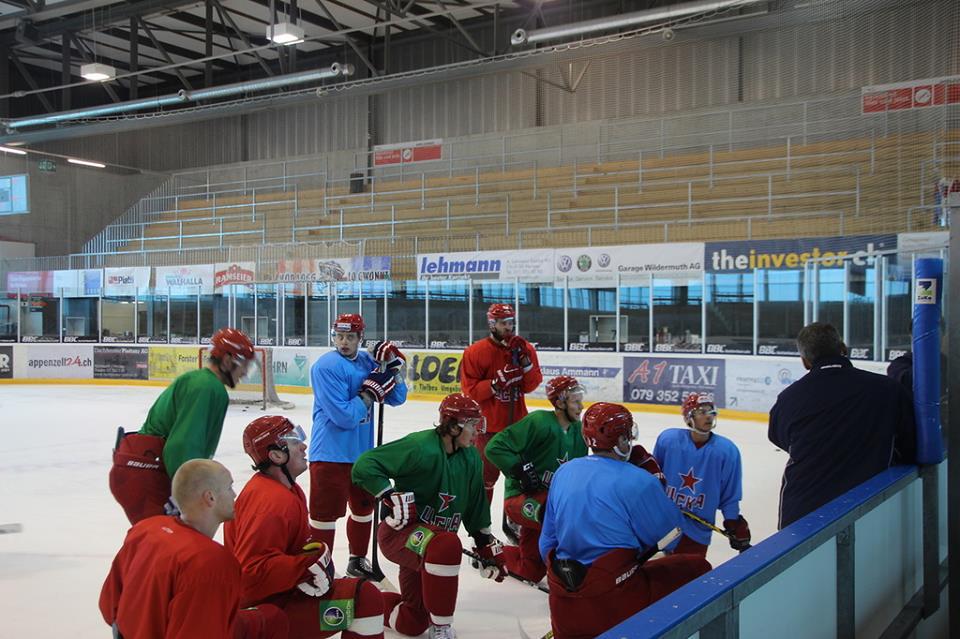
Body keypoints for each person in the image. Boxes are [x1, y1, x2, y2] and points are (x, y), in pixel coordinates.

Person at [539, 402, 712, 639]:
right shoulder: (640, 480)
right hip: (615, 601)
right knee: (697, 568)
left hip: (562, 603)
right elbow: (671, 537)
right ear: (621, 440)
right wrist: (656, 484)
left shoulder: (564, 472)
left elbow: (546, 543)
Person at [351, 393, 508, 639]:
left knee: (412, 623)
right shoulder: (419, 446)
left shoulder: (472, 458)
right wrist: (388, 495)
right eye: (472, 425)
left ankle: (364, 602)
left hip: (432, 547)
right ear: (454, 426)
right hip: (401, 534)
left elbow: (476, 505)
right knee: (446, 545)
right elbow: (364, 465)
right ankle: (442, 627)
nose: (478, 432)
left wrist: (483, 543)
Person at [225, 416, 385, 639]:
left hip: (275, 597)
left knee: (368, 594)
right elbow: (250, 575)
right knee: (365, 598)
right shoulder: (271, 503)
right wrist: (304, 566)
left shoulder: (285, 490)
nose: (303, 445)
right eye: (293, 440)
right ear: (277, 455)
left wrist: (309, 557)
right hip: (267, 612)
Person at [100, 459, 287, 639]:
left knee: (268, 616)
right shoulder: (209, 562)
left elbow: (109, 607)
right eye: (229, 487)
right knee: (274, 620)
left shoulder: (145, 530)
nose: (235, 494)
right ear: (210, 497)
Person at [769, 322, 917, 529]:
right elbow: (910, 443)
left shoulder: (788, 398)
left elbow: (779, 438)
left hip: (802, 512)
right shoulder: (888, 389)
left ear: (804, 361)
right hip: (870, 506)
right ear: (844, 349)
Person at [109, 327, 254, 525]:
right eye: (244, 365)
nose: (245, 372)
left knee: (159, 541)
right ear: (228, 360)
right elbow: (182, 445)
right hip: (147, 473)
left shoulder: (200, 381)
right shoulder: (208, 387)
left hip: (138, 468)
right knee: (165, 541)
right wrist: (186, 496)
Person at [309, 313, 407, 580]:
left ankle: (357, 560)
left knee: (364, 511)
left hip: (363, 456)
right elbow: (344, 416)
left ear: (360, 338)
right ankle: (321, 566)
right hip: (329, 453)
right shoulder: (326, 366)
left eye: (350, 337)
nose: (344, 342)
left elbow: (398, 398)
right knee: (324, 516)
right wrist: (368, 394)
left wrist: (392, 367)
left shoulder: (367, 361)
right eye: (339, 336)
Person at [483, 375, 589, 582]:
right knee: (559, 513)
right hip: (522, 499)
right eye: (576, 401)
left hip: (549, 504)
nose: (581, 406)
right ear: (559, 403)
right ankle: (567, 562)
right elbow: (494, 448)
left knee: (530, 571)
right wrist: (521, 469)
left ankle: (491, 553)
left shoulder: (579, 431)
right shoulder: (539, 421)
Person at [460, 302, 543, 543]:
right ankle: (481, 532)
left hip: (518, 429)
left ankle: (515, 523)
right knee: (485, 483)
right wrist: (495, 384)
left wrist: (525, 363)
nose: (508, 327)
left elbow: (531, 384)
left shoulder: (524, 348)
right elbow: (470, 391)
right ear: (491, 324)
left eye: (510, 323)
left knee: (521, 479)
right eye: (503, 323)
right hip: (488, 430)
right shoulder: (476, 352)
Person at [652, 393, 750, 556]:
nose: (708, 417)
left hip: (697, 532)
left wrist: (733, 522)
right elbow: (654, 479)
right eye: (701, 412)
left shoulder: (726, 452)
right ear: (689, 417)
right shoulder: (668, 440)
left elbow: (730, 495)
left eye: (711, 412)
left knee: (690, 576)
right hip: (663, 524)